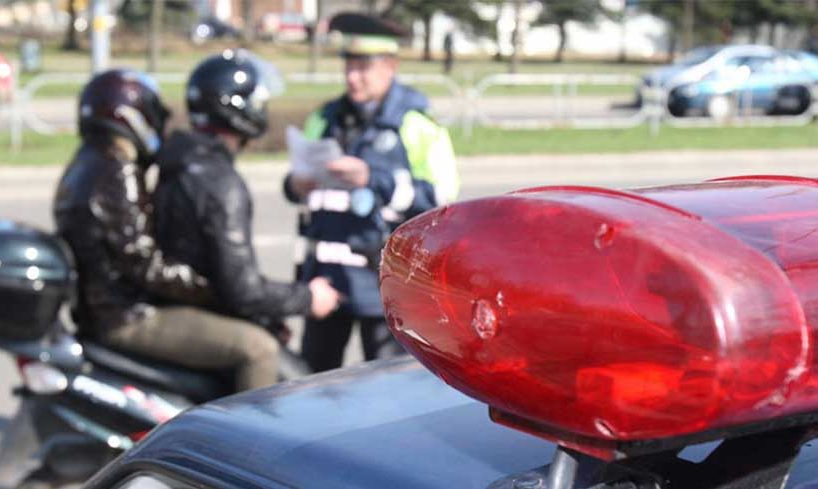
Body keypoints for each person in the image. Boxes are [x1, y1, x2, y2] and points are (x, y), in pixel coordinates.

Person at [282, 13, 460, 372]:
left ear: (390, 67)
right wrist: (295, 185)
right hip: (325, 281)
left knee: (385, 385)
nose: (352, 77)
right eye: (348, 66)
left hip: (384, 284)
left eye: (363, 68)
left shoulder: (417, 126)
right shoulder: (324, 118)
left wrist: (373, 179)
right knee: (313, 382)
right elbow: (296, 183)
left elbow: (442, 200)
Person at [151, 50, 341, 380]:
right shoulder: (220, 183)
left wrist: (269, 317)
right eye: (257, 102)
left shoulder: (181, 159)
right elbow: (243, 290)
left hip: (194, 304)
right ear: (235, 107)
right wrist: (308, 297)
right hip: (199, 310)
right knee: (284, 371)